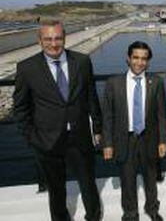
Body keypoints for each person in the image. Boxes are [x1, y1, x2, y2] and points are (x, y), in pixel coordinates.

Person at [13, 19, 102, 221]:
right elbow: (21, 107)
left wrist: (97, 128)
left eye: (58, 38)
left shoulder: (82, 61)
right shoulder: (27, 68)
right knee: (56, 189)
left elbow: (91, 97)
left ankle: (94, 216)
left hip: (80, 136)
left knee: (88, 183)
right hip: (47, 140)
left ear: (64, 38)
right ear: (40, 40)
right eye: (48, 39)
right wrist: (32, 138)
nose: (54, 44)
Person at [102, 41, 166, 221]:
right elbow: (107, 116)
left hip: (149, 138)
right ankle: (130, 213)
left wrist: (163, 140)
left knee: (151, 177)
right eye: (136, 57)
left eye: (144, 59)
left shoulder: (156, 83)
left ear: (148, 61)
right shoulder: (113, 84)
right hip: (125, 139)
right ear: (128, 58)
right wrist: (107, 143)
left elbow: (162, 115)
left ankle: (152, 209)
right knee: (127, 179)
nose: (139, 62)